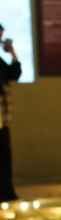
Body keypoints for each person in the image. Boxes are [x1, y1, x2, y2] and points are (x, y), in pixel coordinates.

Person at [0, 25, 21, 201]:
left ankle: (6, 192)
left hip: (2, 118)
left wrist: (12, 53)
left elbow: (14, 74)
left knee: (4, 157)